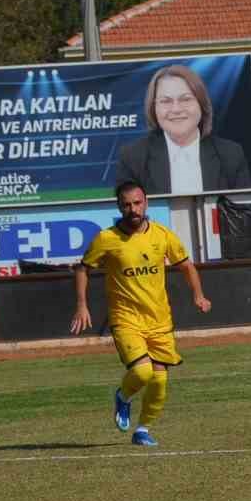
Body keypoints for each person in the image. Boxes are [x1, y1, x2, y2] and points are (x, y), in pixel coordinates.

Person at [70, 180, 211, 447]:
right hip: (126, 320)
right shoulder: (106, 239)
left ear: (146, 203)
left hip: (159, 320)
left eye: (137, 203)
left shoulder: (162, 235)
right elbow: (82, 268)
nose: (132, 209)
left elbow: (187, 266)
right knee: (143, 373)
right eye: (126, 205)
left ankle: (143, 430)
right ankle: (123, 396)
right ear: (119, 207)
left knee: (159, 381)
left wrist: (199, 295)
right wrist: (81, 305)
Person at [116, 65, 251, 194]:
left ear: (201, 104)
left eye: (185, 99)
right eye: (166, 101)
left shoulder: (231, 155)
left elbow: (245, 215)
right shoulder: (132, 157)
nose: (176, 109)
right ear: (154, 108)